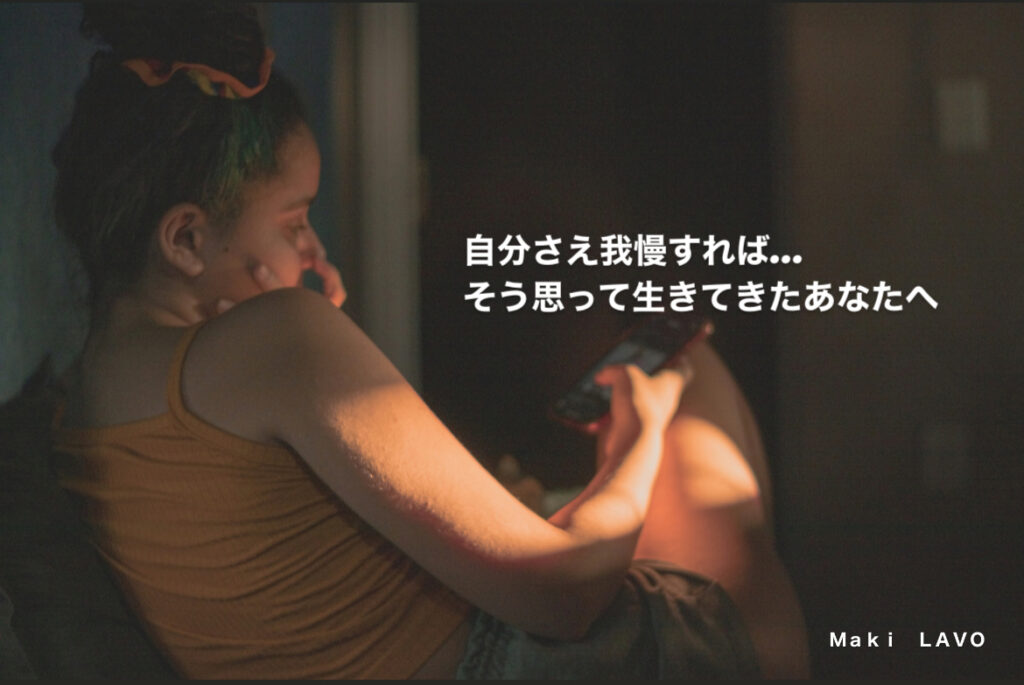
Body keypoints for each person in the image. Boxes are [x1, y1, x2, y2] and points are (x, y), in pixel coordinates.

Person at [50, 2, 809, 679]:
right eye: (295, 222)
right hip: (530, 654)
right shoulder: (278, 335)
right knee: (688, 366)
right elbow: (566, 591)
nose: (315, 255)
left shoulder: (90, 389)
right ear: (185, 239)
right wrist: (634, 432)